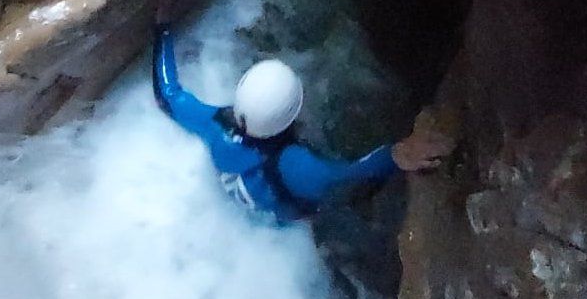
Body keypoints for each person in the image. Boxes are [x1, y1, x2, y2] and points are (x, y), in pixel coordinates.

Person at [153, 16, 453, 225]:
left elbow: (168, 94)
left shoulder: (214, 125)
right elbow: (348, 175)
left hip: (243, 208)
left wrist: (162, 28)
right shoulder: (296, 166)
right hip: (283, 223)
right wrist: (396, 154)